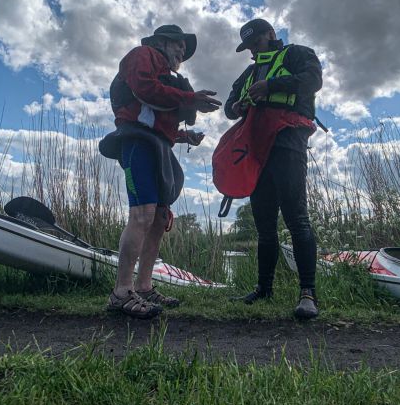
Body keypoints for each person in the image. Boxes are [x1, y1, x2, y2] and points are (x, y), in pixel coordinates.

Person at [99, 25, 221, 318]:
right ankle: (121, 292)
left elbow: (158, 120)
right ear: (163, 42)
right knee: (141, 215)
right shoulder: (143, 55)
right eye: (179, 46)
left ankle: (143, 286)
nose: (182, 52)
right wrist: (190, 100)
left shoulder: (170, 77)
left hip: (157, 145)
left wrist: (183, 136)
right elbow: (145, 90)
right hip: (136, 141)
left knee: (159, 219)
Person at [225, 18, 323, 319]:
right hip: (258, 149)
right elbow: (230, 105)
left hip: (288, 141)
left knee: (297, 217)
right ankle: (264, 289)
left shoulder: (297, 54)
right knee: (264, 224)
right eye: (249, 47)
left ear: (271, 34)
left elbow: (313, 81)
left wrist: (271, 86)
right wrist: (237, 107)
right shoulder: (249, 73)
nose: (253, 50)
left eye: (257, 42)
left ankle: (308, 293)